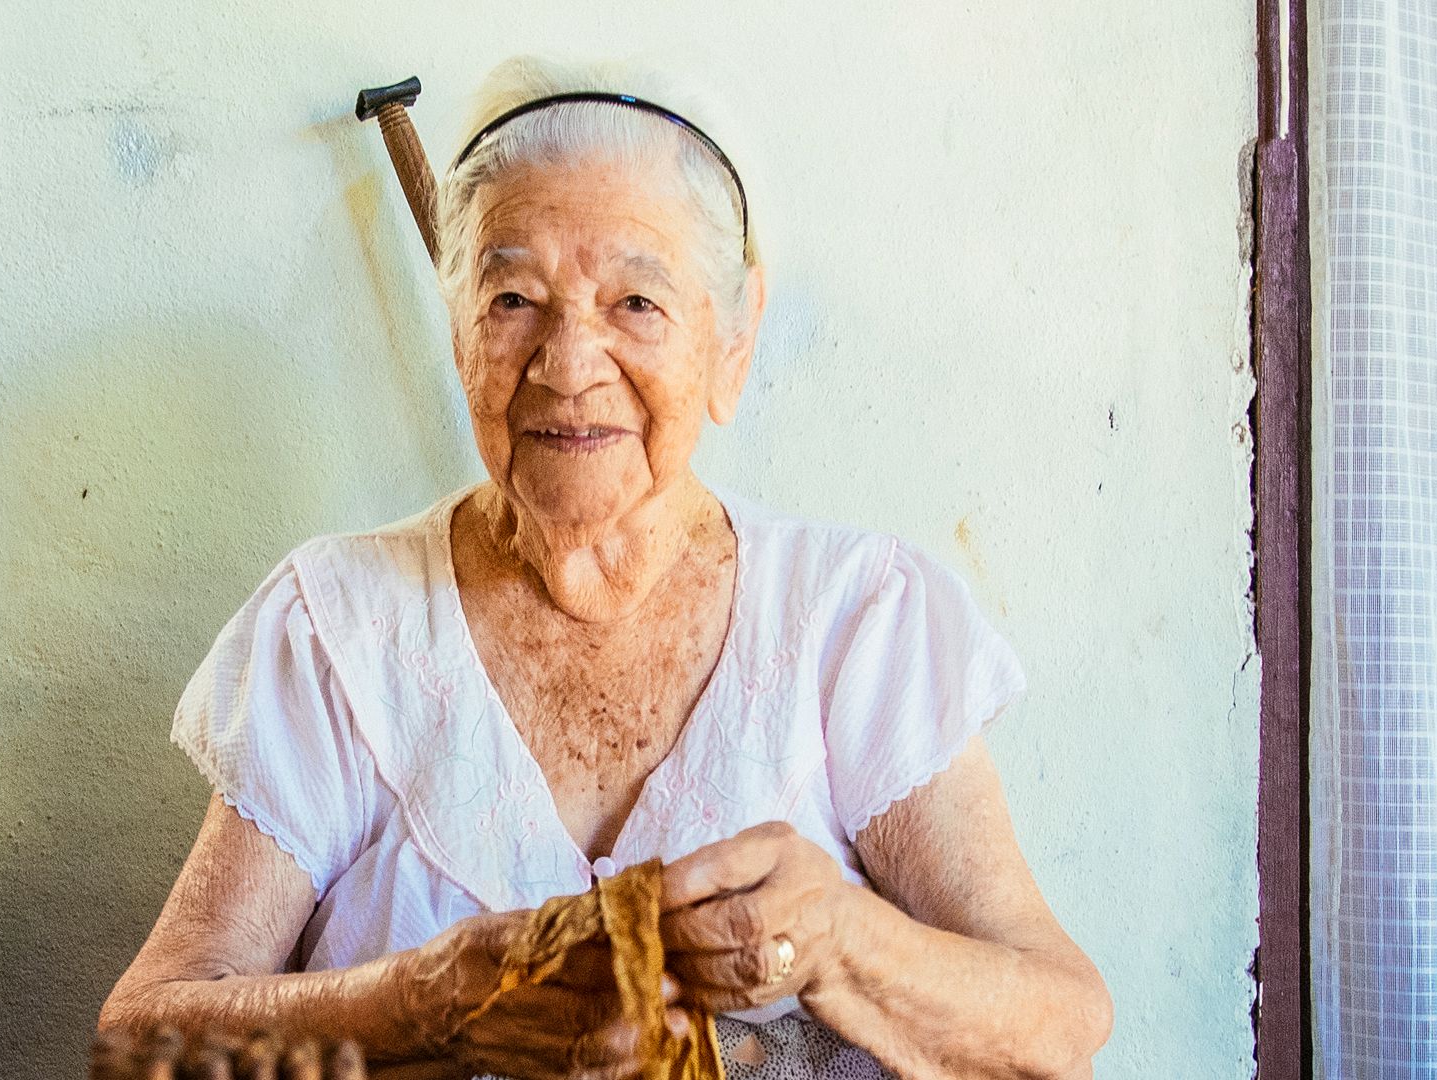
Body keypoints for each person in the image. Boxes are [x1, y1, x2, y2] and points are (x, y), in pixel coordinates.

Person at [101, 55, 1112, 1079]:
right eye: (511, 301)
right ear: (459, 341)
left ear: (732, 342)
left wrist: (846, 940)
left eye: (636, 301)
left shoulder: (860, 620)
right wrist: (427, 1000)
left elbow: (1060, 1027)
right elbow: (142, 1038)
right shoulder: (336, 630)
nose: (569, 364)